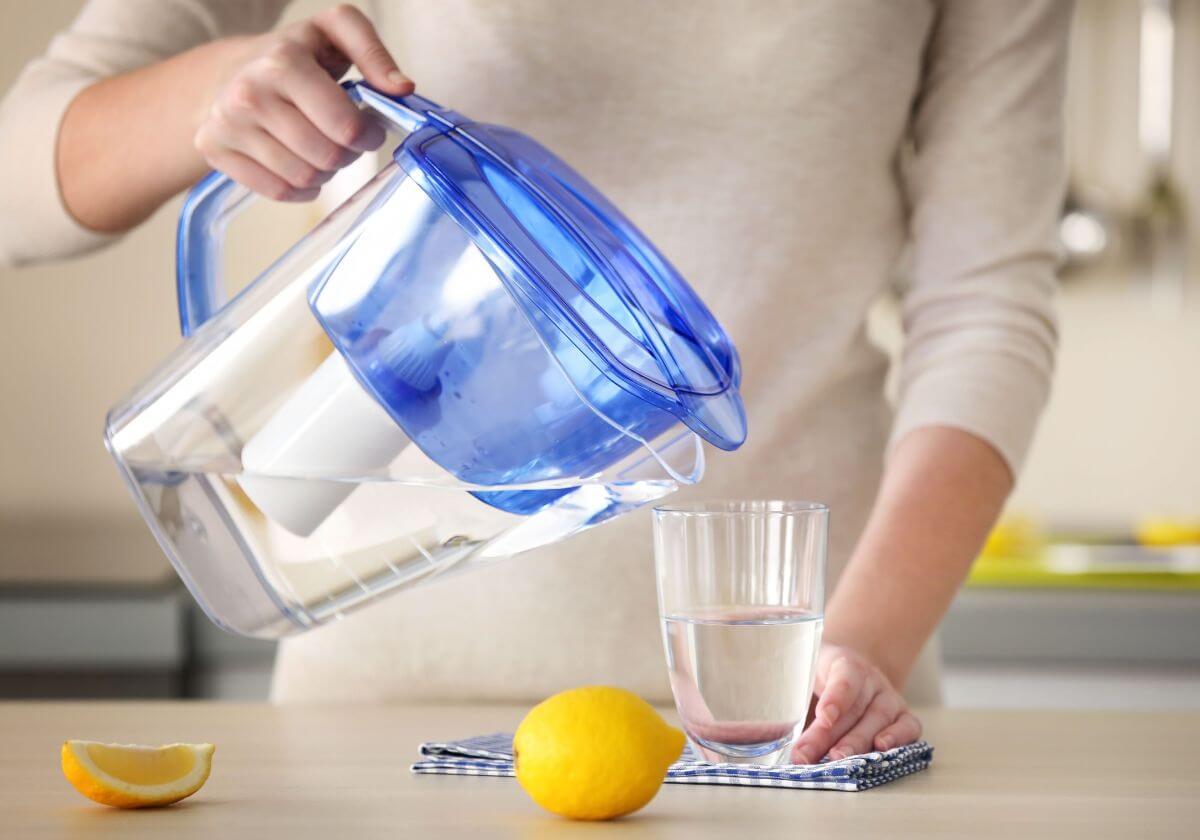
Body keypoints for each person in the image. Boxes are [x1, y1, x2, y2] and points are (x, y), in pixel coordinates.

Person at [0, 0, 1068, 763]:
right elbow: (18, 183)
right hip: (377, 719)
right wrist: (219, 89)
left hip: (798, 721)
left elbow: (987, 307)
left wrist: (855, 659)